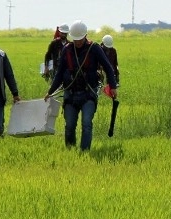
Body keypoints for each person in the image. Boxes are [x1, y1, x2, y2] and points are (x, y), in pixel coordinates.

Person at [44, 21, 117, 151]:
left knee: (86, 124)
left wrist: (113, 86)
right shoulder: (67, 50)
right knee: (70, 125)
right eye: (75, 40)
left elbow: (108, 67)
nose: (77, 42)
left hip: (88, 94)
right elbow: (59, 74)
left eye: (80, 39)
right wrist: (50, 91)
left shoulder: (94, 48)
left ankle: (84, 152)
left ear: (85, 36)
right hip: (70, 94)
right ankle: (70, 151)